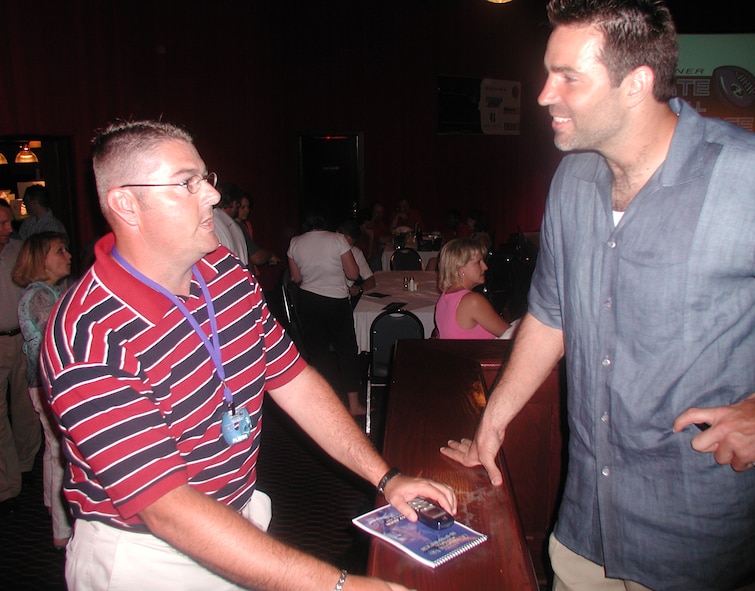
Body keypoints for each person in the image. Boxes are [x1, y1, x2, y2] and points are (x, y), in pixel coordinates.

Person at [441, 1, 755, 590]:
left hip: (702, 546)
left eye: (568, 77)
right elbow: (551, 317)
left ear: (637, 84)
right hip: (586, 533)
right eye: (548, 72)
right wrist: (492, 422)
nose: (545, 94)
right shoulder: (572, 181)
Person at [41, 119, 455, 591]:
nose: (213, 196)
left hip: (236, 522)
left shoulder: (226, 274)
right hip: (146, 557)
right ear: (125, 204)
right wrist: (340, 586)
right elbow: (167, 508)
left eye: (206, 178)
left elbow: (294, 381)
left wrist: (386, 478)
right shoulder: (89, 334)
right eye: (186, 183)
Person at [12, 231, 73, 547]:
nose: (68, 255)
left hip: (44, 378)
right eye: (59, 250)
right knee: (62, 452)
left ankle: (55, 513)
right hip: (47, 379)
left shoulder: (51, 291)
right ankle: (62, 530)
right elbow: (57, 336)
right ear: (41, 260)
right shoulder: (39, 296)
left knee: (53, 450)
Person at [287, 214, 367, 417]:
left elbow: (296, 278)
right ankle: (354, 405)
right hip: (336, 301)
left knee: (318, 353)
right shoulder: (336, 239)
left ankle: (324, 404)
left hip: (308, 301)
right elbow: (352, 274)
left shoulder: (295, 242)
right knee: (347, 351)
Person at [0, 199, 41, 517]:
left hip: (22, 339)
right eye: (1, 223)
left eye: (9, 222)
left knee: (26, 408)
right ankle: (8, 482)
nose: (8, 229)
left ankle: (26, 470)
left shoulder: (17, 249)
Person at [434, 238, 510, 340]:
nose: (485, 267)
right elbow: (511, 334)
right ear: (461, 270)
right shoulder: (472, 301)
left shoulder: (444, 297)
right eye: (478, 262)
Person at [337, 219, 377, 307]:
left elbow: (371, 280)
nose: (345, 248)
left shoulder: (356, 253)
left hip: (342, 302)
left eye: (349, 245)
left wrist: (360, 289)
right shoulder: (325, 249)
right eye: (343, 243)